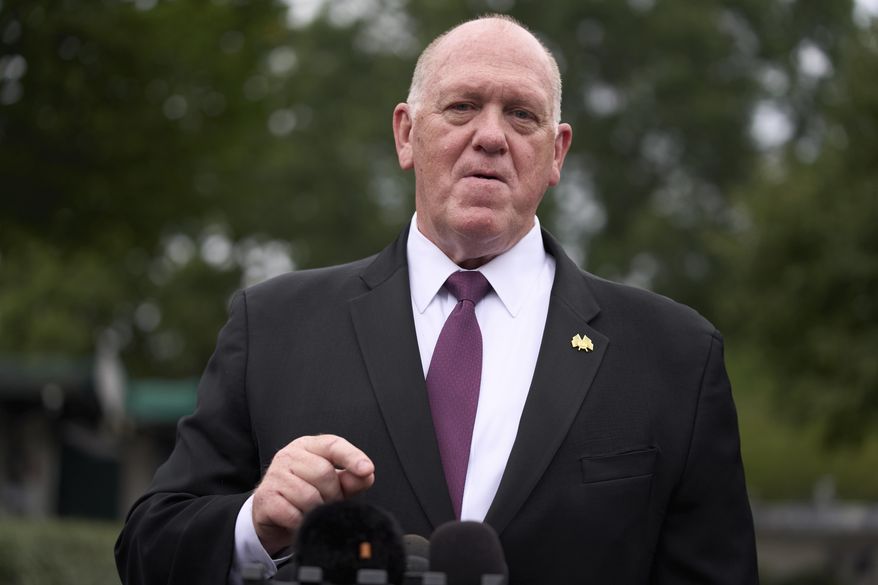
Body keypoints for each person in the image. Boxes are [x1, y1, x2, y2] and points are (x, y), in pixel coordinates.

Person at [115, 14, 758, 585]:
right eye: (462, 107)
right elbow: (147, 551)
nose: (490, 136)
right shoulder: (273, 326)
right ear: (405, 133)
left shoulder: (674, 356)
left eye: (522, 115)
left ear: (555, 152)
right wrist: (254, 525)